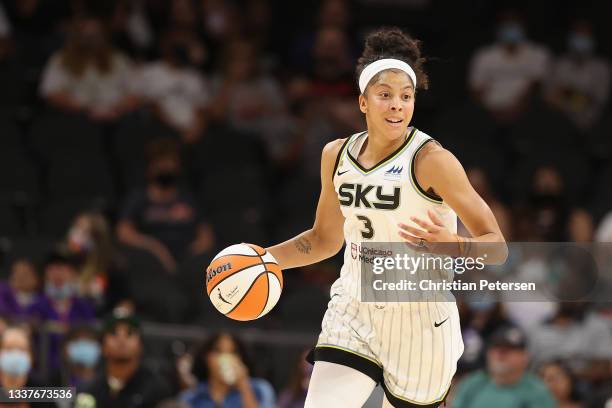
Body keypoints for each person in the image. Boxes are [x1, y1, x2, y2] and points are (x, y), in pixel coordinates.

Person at [265, 27, 507, 407]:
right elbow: (324, 239)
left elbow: (497, 248)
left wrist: (455, 245)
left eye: (406, 97)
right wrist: (264, 258)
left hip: (420, 316)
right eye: (385, 95)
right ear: (363, 102)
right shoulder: (336, 154)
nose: (397, 105)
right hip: (353, 305)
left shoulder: (432, 161)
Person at [117, 138, 214, 272]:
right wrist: (154, 248)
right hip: (151, 262)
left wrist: (192, 254)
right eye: (160, 163)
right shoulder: (138, 198)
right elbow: (123, 232)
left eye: (169, 163)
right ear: (150, 168)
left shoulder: (188, 198)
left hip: (188, 262)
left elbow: (206, 235)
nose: (165, 167)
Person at [39, 15, 136, 122]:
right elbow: (51, 93)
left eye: (96, 35)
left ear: (104, 36)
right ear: (76, 36)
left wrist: (117, 108)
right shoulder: (60, 59)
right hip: (75, 119)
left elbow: (135, 92)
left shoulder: (119, 59)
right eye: (86, 35)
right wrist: (85, 109)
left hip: (117, 118)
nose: (91, 39)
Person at [75, 310, 171, 408]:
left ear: (141, 345)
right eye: (114, 333)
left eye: (129, 333)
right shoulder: (88, 390)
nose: (121, 339)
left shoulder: (157, 389)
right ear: (103, 346)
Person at [469, 11, 550, 122]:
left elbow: (537, 84)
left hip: (527, 110)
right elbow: (476, 89)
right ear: (498, 29)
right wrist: (489, 111)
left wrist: (519, 107)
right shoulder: (484, 55)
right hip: (490, 113)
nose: (511, 29)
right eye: (507, 25)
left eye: (514, 25)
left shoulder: (538, 53)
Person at [452, 326, 555, 408]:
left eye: (508, 350)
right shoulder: (472, 383)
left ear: (525, 357)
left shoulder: (537, 391)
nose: (500, 354)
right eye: (496, 348)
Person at [180, 331, 276, 408]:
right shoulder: (192, 397)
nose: (226, 357)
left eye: (233, 352)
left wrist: (244, 386)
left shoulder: (260, 389)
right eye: (218, 351)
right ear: (206, 357)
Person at [544, 20, 610, 131]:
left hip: (592, 127)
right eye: (578, 36)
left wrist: (564, 93)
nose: (581, 41)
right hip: (559, 124)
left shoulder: (602, 68)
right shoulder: (558, 64)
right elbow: (548, 96)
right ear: (570, 39)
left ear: (593, 40)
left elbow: (596, 101)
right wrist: (580, 98)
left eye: (585, 37)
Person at [66, 211, 133, 314]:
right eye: (76, 227)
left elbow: (124, 302)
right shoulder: (63, 262)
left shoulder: (112, 268)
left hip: (99, 323)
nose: (75, 234)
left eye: (83, 231)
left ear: (96, 238)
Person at [0, 325, 57, 407]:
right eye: (9, 348)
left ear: (31, 356)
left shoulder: (42, 389)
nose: (15, 354)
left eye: (22, 349)